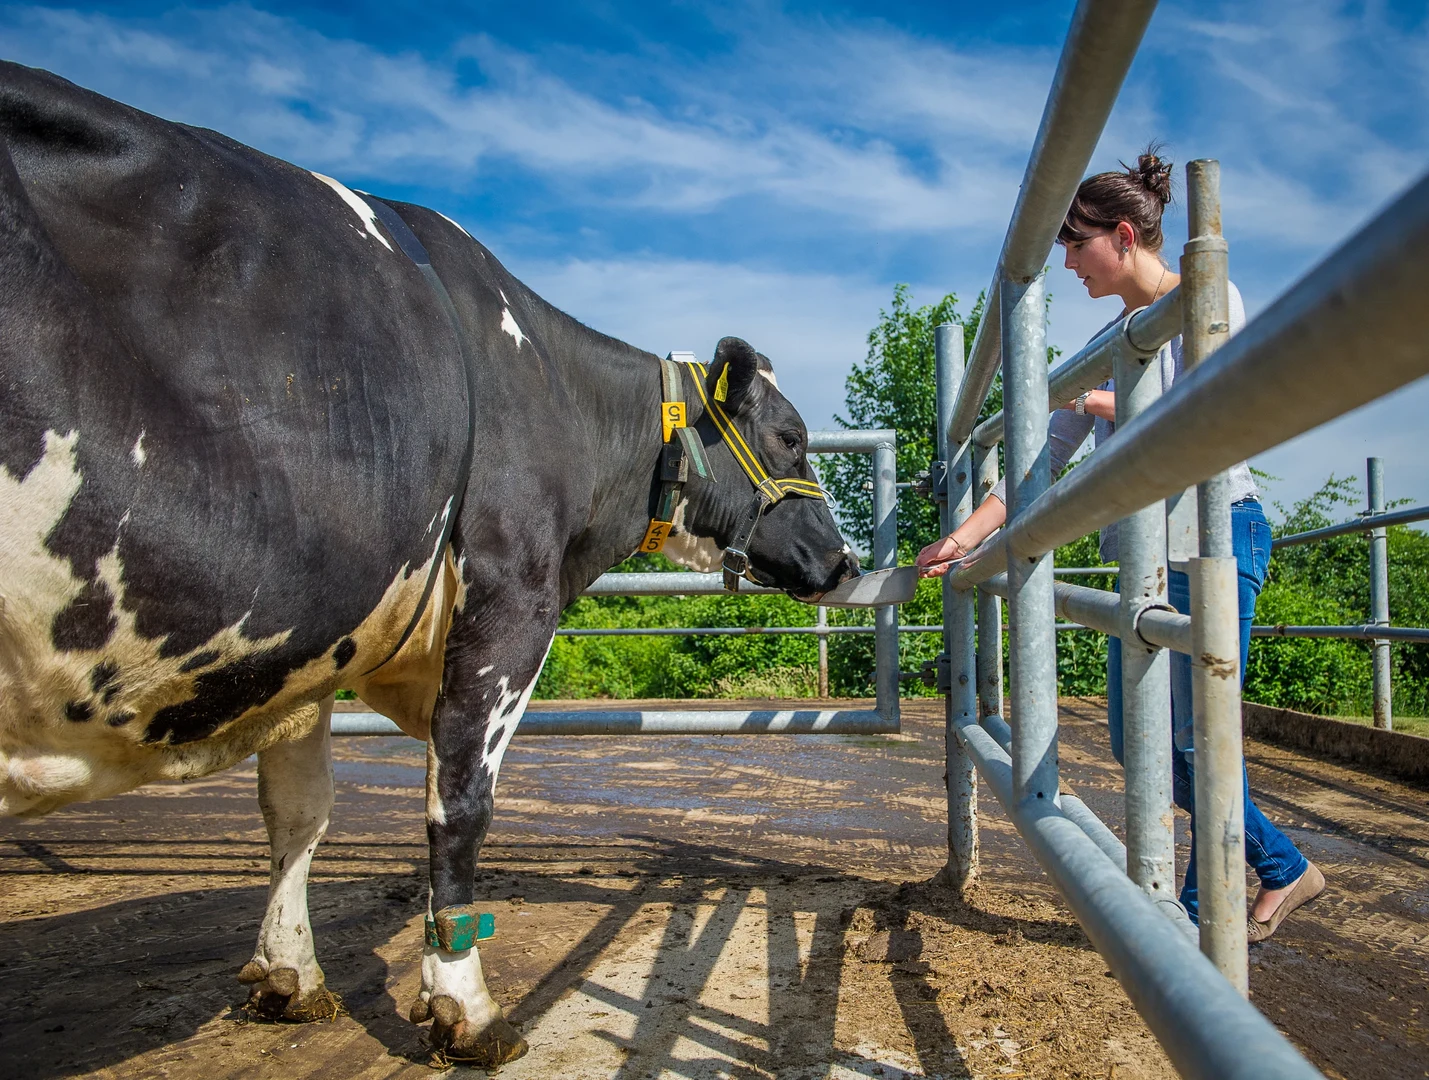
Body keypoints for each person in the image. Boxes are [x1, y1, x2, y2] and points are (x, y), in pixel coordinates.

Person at [916, 148, 1324, 942]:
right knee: (1132, 739)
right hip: (1145, 554)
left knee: (1196, 738)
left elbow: (1206, 411)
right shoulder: (1114, 337)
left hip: (1213, 535)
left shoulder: (1211, 296)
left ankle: (1202, 922)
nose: (1066, 261)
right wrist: (961, 537)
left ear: (1125, 234)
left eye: (1074, 243)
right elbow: (1041, 455)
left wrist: (1107, 399)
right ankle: (1278, 867)